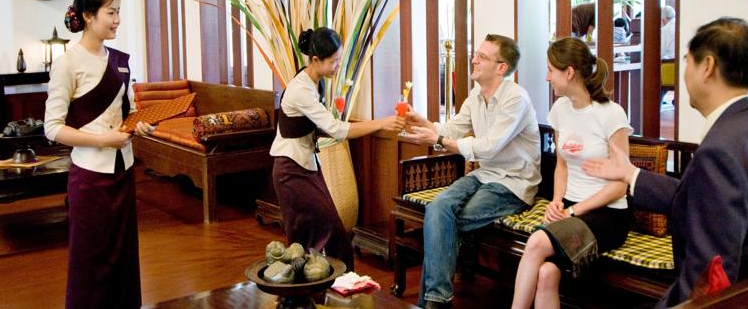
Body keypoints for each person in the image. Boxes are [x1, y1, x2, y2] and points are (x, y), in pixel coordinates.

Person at [584, 18, 748, 308]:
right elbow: (704, 199)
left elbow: (708, 279)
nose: (684, 72)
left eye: (687, 61)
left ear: (707, 66)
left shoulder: (720, 150)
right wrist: (631, 174)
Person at [404, 34, 541, 309]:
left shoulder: (515, 99)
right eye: (476, 54)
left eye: (482, 56)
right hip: (483, 176)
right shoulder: (475, 97)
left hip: (513, 183)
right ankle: (437, 300)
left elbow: (489, 148)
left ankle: (433, 302)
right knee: (438, 208)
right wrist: (423, 122)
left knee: (446, 222)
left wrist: (439, 140)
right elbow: (451, 129)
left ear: (501, 67)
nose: (474, 60)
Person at [44, 0, 154, 309]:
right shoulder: (68, 62)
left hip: (123, 171)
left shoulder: (119, 60)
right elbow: (53, 128)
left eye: (119, 12)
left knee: (123, 255)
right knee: (91, 259)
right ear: (88, 16)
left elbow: (127, 114)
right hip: (90, 177)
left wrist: (140, 125)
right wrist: (103, 139)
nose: (117, 20)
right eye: (111, 13)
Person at [511, 37, 632, 309]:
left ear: (569, 72)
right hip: (570, 208)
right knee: (546, 273)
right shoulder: (560, 110)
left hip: (608, 215)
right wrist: (556, 201)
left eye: (551, 70)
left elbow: (620, 186)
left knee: (536, 242)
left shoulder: (611, 114)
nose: (547, 77)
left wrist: (573, 211)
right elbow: (562, 165)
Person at [270, 27, 404, 271]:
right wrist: (382, 123)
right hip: (290, 170)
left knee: (317, 235)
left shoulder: (313, 82)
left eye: (339, 60)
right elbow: (336, 130)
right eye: (333, 61)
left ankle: (338, 283)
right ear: (315, 60)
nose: (337, 66)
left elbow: (321, 126)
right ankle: (337, 282)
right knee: (323, 231)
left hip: (304, 164)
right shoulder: (301, 90)